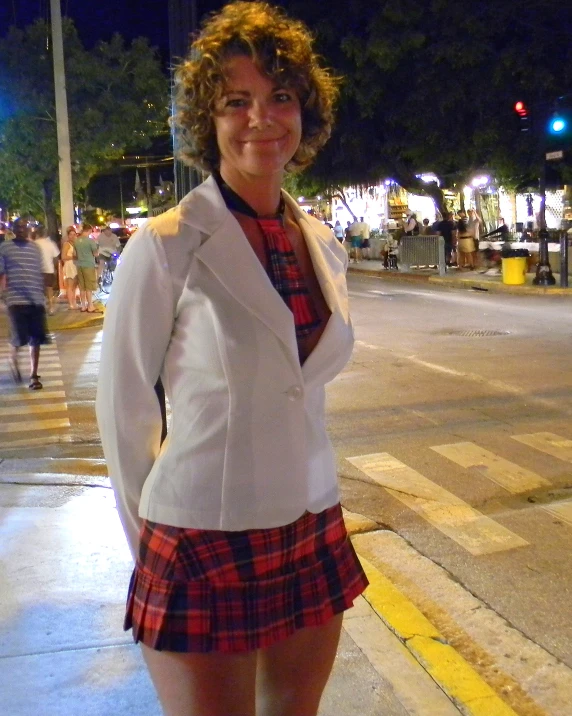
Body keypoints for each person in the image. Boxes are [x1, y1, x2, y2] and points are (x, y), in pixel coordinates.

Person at [95, 4, 368, 716]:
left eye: (280, 97)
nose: (262, 119)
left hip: (311, 521)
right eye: (236, 102)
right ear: (206, 121)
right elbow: (125, 413)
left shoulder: (321, 240)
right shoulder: (167, 244)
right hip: (200, 535)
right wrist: (154, 554)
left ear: (304, 109)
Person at [0, 218, 49, 390]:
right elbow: (1, 273)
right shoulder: (5, 247)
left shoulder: (35, 248)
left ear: (28, 229)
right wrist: (2, 296)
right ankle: (12, 359)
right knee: (18, 339)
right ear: (13, 230)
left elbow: (40, 272)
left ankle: (33, 375)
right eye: (18, 228)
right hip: (15, 300)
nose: (21, 230)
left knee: (35, 339)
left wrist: (45, 296)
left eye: (23, 227)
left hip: (36, 299)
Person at [32, 224, 60, 315]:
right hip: (48, 268)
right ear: (46, 234)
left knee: (39, 289)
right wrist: (55, 268)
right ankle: (51, 307)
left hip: (37, 269)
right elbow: (56, 257)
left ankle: (41, 306)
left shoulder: (34, 244)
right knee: (49, 289)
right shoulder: (51, 244)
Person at [74, 224, 99, 312]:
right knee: (89, 287)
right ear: (88, 231)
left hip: (79, 265)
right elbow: (96, 254)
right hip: (88, 265)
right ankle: (90, 306)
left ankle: (83, 306)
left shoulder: (76, 241)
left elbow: (75, 254)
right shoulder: (90, 241)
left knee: (82, 287)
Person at [61, 226, 79, 309]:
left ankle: (74, 302)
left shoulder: (76, 243)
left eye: (74, 234)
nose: (73, 236)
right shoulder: (67, 244)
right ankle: (71, 303)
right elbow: (63, 257)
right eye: (71, 234)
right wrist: (73, 257)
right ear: (68, 236)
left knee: (75, 285)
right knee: (70, 285)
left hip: (76, 265)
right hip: (69, 265)